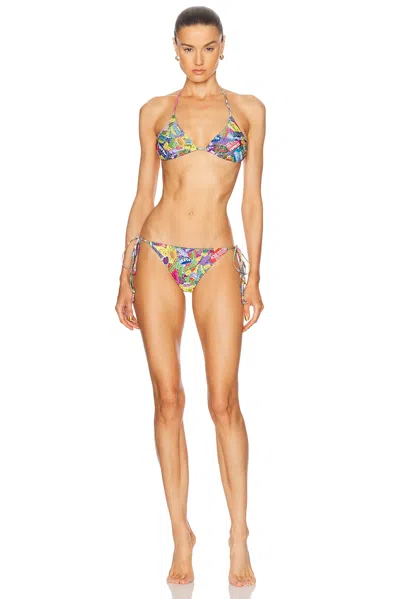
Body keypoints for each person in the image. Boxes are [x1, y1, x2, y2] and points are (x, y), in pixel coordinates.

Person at [115, 6, 265, 588]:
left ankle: (238, 534)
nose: (197, 59)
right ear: (173, 49)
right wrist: (124, 272)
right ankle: (181, 534)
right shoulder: (156, 112)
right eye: (187, 48)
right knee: (168, 398)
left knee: (223, 401)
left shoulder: (248, 112)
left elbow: (251, 200)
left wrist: (255, 277)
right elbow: (142, 194)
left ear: (223, 47)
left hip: (218, 257)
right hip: (157, 251)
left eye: (207, 47)